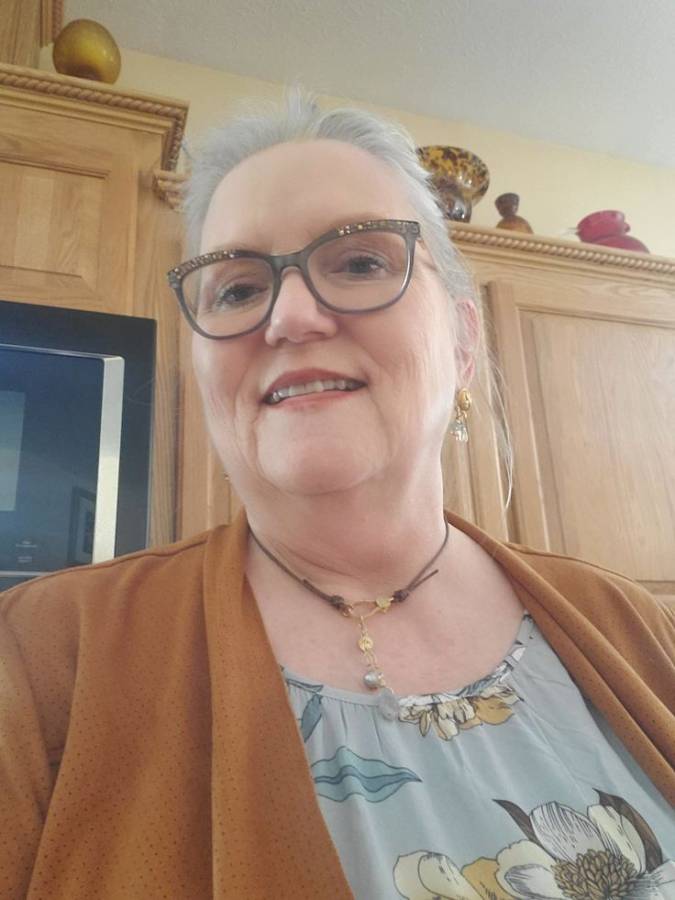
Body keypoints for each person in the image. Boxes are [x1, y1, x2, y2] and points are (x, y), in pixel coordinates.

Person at [1, 91, 673, 900]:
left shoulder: (634, 627)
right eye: (236, 289)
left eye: (359, 263)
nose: (288, 317)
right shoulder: (38, 655)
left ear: (462, 343)